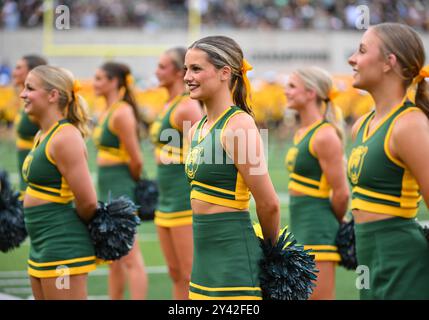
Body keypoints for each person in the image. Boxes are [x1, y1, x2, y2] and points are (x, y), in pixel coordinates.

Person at [183, 35, 280, 300]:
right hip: (203, 263)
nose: (187, 77)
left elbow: (269, 203)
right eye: (186, 69)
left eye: (196, 69)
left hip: (235, 262)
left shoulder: (239, 126)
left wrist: (274, 256)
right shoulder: (196, 130)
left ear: (225, 72)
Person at [347, 22, 429, 299]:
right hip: (368, 260)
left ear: (388, 63)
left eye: (361, 51)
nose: (352, 59)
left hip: (403, 261)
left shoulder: (410, 124)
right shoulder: (361, 125)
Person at [20, 65, 97, 299]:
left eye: (30, 88)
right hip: (42, 244)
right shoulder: (43, 134)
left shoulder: (65, 137)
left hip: (63, 247)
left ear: (52, 95)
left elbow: (88, 202)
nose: (22, 94)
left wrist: (66, 230)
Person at [284, 66, 350, 300]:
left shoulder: (324, 135)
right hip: (301, 227)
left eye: (292, 86)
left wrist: (328, 224)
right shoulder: (302, 131)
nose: (286, 92)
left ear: (311, 93)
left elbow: (341, 193)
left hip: (318, 230)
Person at [150, 47, 203, 299]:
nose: (157, 72)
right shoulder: (168, 104)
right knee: (175, 272)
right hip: (165, 199)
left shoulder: (187, 106)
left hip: (183, 198)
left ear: (178, 72)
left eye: (162, 67)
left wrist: (171, 157)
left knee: (190, 272)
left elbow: (203, 150)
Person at [92, 62, 148, 300]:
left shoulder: (122, 111)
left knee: (130, 256)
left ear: (114, 81)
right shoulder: (107, 109)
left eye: (99, 78)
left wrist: (129, 187)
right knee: (113, 256)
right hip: (107, 187)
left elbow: (136, 159)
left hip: (121, 187)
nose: (94, 83)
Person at [12, 55, 47, 198]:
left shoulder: (38, 106)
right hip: (25, 174)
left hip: (35, 179)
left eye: (19, 67)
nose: (14, 72)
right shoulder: (26, 100)